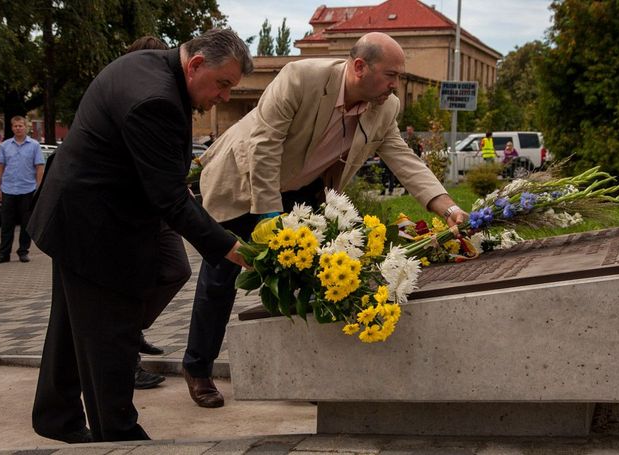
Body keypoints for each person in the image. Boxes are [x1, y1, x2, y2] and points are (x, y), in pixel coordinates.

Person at [183, 32, 468, 409]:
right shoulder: (300, 78)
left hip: (301, 190)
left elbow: (404, 159)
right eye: (391, 74)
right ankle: (198, 368)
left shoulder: (386, 106)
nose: (396, 85)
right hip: (242, 181)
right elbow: (264, 148)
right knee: (222, 276)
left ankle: (301, 372)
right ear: (359, 67)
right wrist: (274, 222)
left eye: (399, 76)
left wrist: (448, 208)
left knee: (309, 277)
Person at [28, 29, 253, 443]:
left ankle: (56, 416)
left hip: (78, 218)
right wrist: (228, 245)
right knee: (109, 337)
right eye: (223, 84)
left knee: (71, 328)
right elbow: (170, 199)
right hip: (96, 231)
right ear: (197, 64)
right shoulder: (157, 99)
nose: (223, 97)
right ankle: (120, 438)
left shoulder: (146, 67)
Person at [123, 34, 170, 390]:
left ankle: (133, 330)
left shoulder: (165, 96)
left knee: (176, 269)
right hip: (128, 215)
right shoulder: (128, 97)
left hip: (160, 208)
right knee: (129, 286)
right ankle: (127, 360)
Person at [0, 116, 45, 265]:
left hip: (28, 190)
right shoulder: (5, 145)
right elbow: (0, 167)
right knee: (6, 224)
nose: (18, 128)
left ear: (25, 127)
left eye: (20, 126)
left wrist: (38, 188)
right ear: (12, 127)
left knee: (26, 224)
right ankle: (3, 254)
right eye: (15, 126)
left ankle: (23, 252)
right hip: (8, 190)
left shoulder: (34, 145)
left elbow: (39, 167)